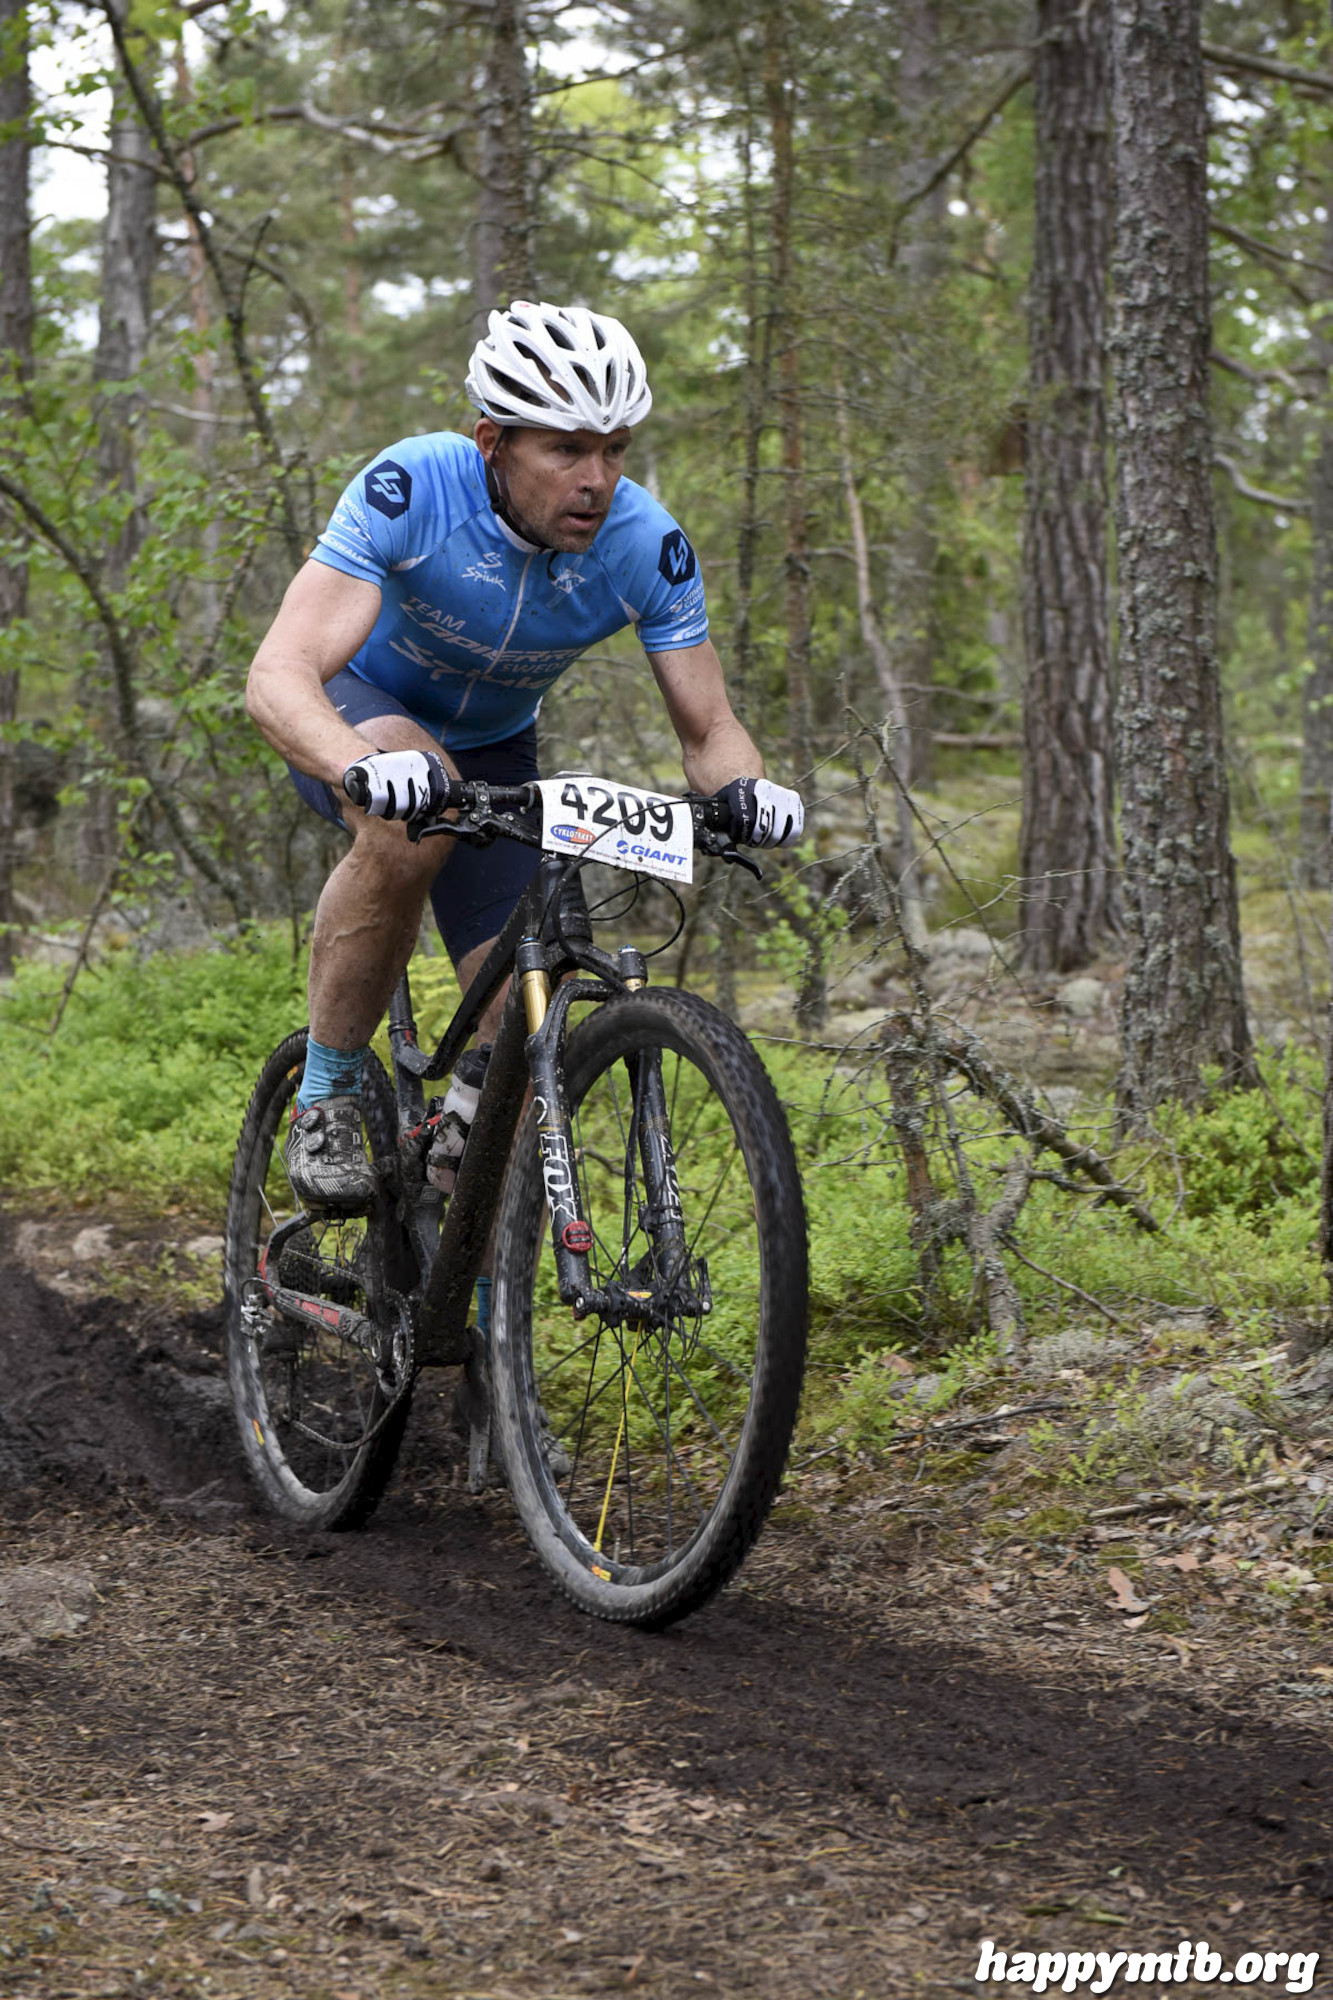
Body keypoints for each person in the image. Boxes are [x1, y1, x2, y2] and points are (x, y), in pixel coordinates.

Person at [246, 299, 804, 1209]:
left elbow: (710, 732)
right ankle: (329, 1095)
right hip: (361, 716)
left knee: (528, 1009)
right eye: (566, 450)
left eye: (614, 450)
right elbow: (280, 672)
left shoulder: (645, 545)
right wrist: (353, 761)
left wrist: (749, 787)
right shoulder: (417, 487)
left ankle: (467, 1244)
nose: (596, 480)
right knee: (416, 819)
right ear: (492, 443)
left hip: (497, 748)